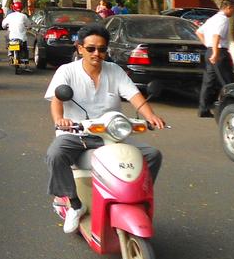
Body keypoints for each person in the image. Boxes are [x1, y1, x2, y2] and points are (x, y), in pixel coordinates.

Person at [45, 24, 165, 233]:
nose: (97, 54)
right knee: (55, 154)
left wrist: (150, 116)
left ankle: (134, 198)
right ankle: (74, 204)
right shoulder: (67, 71)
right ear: (79, 48)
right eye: (91, 49)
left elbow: (134, 96)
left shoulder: (115, 71)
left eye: (102, 49)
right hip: (77, 135)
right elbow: (57, 100)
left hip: (110, 136)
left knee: (152, 155)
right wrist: (60, 119)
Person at [196, 0, 234, 118]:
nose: (233, 12)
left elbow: (198, 32)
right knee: (228, 81)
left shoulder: (212, 19)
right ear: (228, 7)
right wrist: (215, 52)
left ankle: (203, 109)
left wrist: (207, 46)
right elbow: (216, 36)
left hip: (209, 50)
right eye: (233, 9)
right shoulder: (223, 19)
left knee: (209, 82)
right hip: (218, 52)